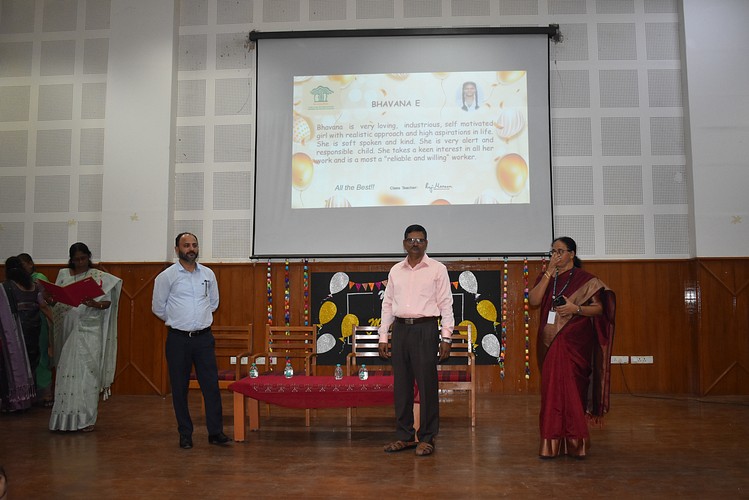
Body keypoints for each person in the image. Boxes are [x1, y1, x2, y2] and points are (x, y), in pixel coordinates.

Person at [528, 236, 616, 459]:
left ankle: (576, 442)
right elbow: (534, 301)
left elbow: (599, 309)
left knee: (573, 391)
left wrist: (575, 309)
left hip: (576, 343)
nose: (555, 255)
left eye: (560, 251)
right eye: (553, 251)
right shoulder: (547, 277)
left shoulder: (586, 280)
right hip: (549, 342)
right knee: (551, 392)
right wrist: (549, 272)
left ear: (572, 254)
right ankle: (550, 443)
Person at [378, 224, 454, 457]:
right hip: (400, 330)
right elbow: (387, 305)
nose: (415, 244)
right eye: (411, 240)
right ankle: (405, 436)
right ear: (404, 243)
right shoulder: (395, 271)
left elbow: (446, 304)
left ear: (426, 244)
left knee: (427, 386)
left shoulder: (437, 269)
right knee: (402, 387)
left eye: (420, 240)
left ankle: (427, 437)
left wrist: (446, 337)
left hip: (425, 330)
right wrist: (383, 335)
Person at [151, 232, 230, 449]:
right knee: (179, 388)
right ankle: (185, 434)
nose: (191, 249)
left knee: (211, 386)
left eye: (194, 245)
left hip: (204, 339)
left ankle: (215, 432)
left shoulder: (208, 274)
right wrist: (178, 320)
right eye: (186, 245)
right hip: (178, 339)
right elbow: (158, 307)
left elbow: (213, 303)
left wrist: (197, 320)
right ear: (177, 249)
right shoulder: (166, 276)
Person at [48, 242, 122, 432]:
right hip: (68, 330)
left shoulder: (98, 276)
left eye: (83, 258)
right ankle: (64, 420)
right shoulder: (64, 275)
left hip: (90, 331)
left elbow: (107, 303)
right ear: (71, 260)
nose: (80, 262)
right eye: (76, 259)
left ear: (89, 257)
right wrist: (51, 299)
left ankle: (85, 420)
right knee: (66, 374)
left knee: (89, 375)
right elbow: (56, 302)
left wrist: (94, 304)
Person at [0, 260, 38, 413]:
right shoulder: (34, 285)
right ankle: (27, 398)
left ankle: (15, 400)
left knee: (13, 364)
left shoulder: (6, 287)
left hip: (15, 329)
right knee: (31, 363)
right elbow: (42, 304)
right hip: (34, 328)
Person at [18, 253, 54, 407]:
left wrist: (54, 321)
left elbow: (45, 301)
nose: (20, 269)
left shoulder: (39, 278)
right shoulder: (16, 282)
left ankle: (46, 394)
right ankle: (29, 394)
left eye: (22, 265)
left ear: (30, 264)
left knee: (41, 356)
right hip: (23, 323)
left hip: (39, 321)